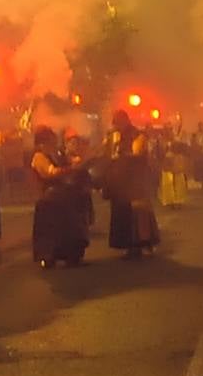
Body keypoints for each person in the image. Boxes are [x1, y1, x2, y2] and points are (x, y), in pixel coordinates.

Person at [30, 127, 91, 268]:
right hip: (49, 200)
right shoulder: (39, 157)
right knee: (51, 234)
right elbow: (51, 173)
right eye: (50, 141)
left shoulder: (54, 154)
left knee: (69, 230)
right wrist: (70, 169)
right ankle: (48, 257)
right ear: (41, 143)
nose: (54, 144)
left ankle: (71, 256)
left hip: (62, 198)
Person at [104, 110, 160, 258]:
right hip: (119, 181)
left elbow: (136, 154)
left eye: (118, 122)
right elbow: (107, 153)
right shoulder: (113, 136)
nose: (116, 126)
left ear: (125, 121)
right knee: (122, 213)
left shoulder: (138, 135)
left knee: (138, 212)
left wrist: (122, 155)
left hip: (135, 179)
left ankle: (140, 244)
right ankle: (127, 244)